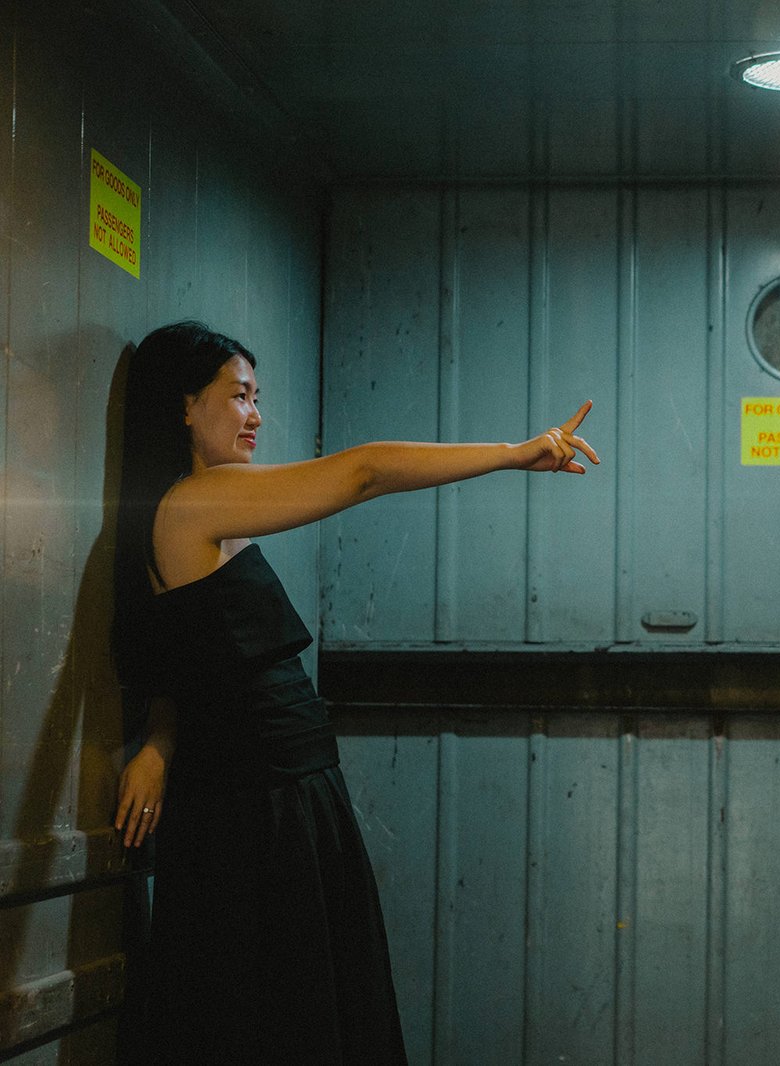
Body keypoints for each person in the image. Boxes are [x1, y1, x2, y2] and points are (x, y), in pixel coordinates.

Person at [111, 321, 598, 1064]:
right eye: (239, 396)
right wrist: (512, 453)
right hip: (261, 812)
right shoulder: (193, 503)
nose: (256, 415)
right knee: (284, 1019)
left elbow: (192, 657)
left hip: (283, 796)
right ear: (183, 406)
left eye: (257, 398)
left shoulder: (201, 504)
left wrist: (160, 740)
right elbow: (366, 471)